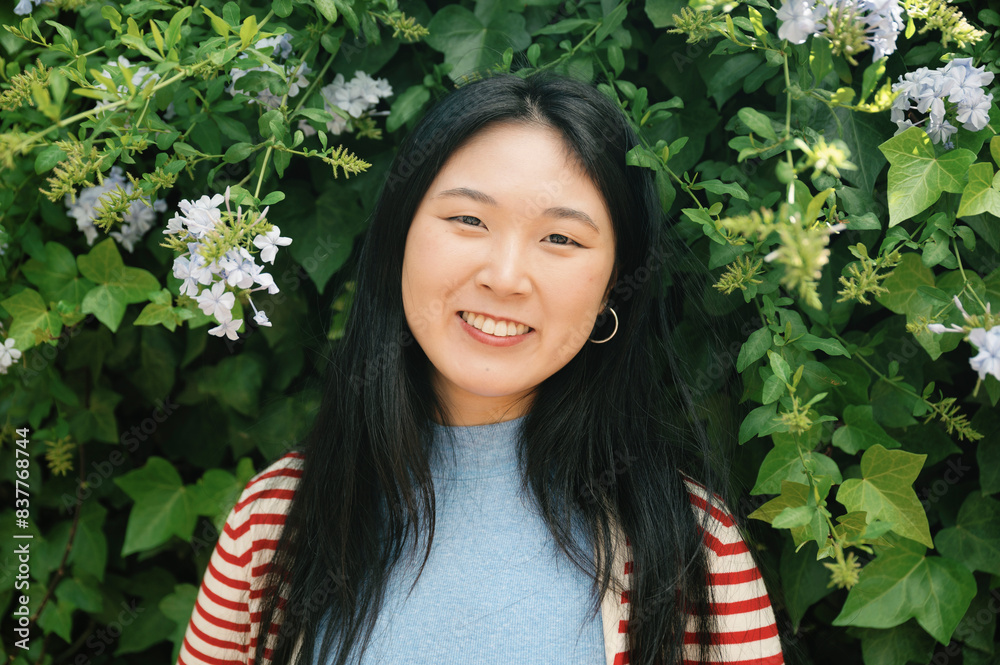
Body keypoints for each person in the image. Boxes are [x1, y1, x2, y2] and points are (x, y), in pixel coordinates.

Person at [177, 71, 784, 665]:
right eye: (469, 220)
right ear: (400, 240)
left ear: (612, 290)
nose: (505, 276)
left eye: (562, 239)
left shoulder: (689, 552)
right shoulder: (277, 525)